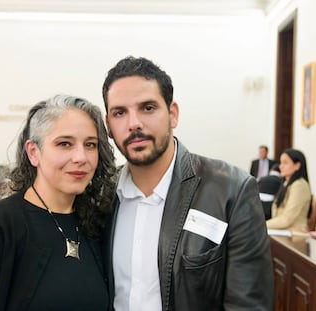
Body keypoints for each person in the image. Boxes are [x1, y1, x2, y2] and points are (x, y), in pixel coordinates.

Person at [101, 56, 274, 310]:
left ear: (173, 115)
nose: (133, 123)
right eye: (119, 113)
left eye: (148, 108)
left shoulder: (231, 191)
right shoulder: (101, 195)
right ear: (108, 126)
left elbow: (248, 304)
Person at [0, 94, 117, 310]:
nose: (80, 157)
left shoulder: (97, 223)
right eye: (64, 143)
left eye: (90, 145)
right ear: (33, 152)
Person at [266, 148, 312, 232]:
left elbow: (287, 219)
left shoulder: (299, 185)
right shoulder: (286, 183)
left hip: (294, 235)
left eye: (285, 163)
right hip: (282, 233)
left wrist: (261, 225)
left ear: (297, 166)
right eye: (281, 162)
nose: (281, 166)